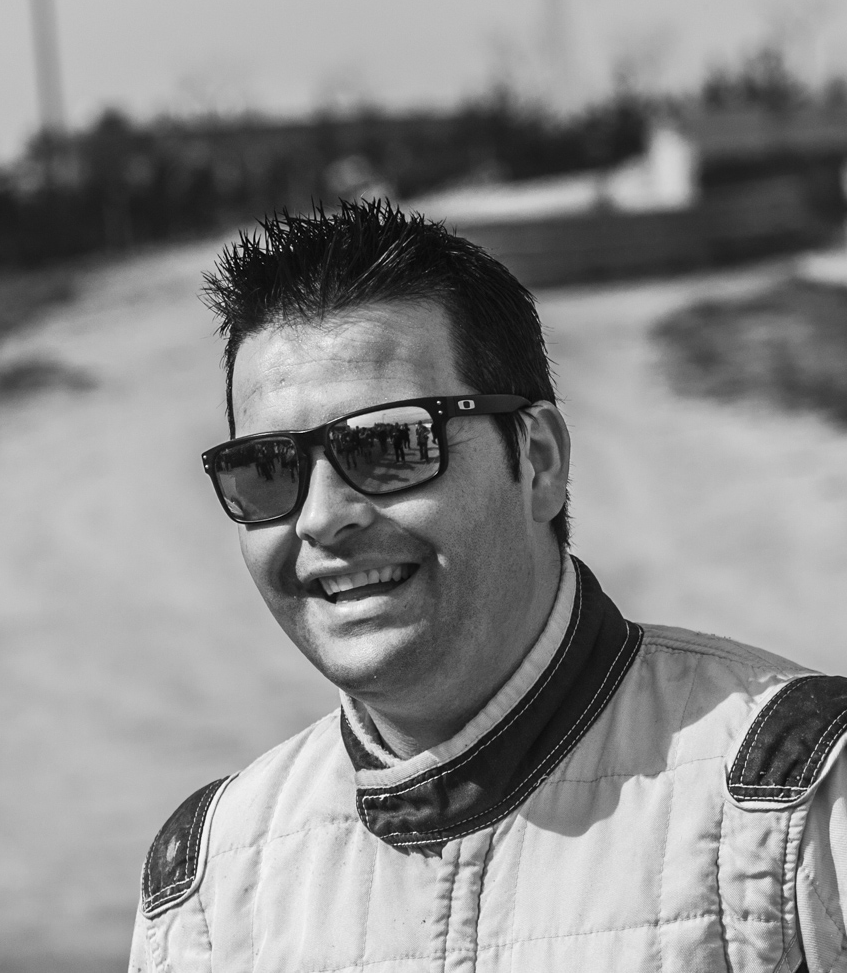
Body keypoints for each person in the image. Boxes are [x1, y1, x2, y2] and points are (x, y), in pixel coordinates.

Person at [131, 201, 847, 973]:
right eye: (267, 469)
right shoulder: (208, 886)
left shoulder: (795, 806)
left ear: (537, 460)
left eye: (388, 445)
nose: (322, 517)